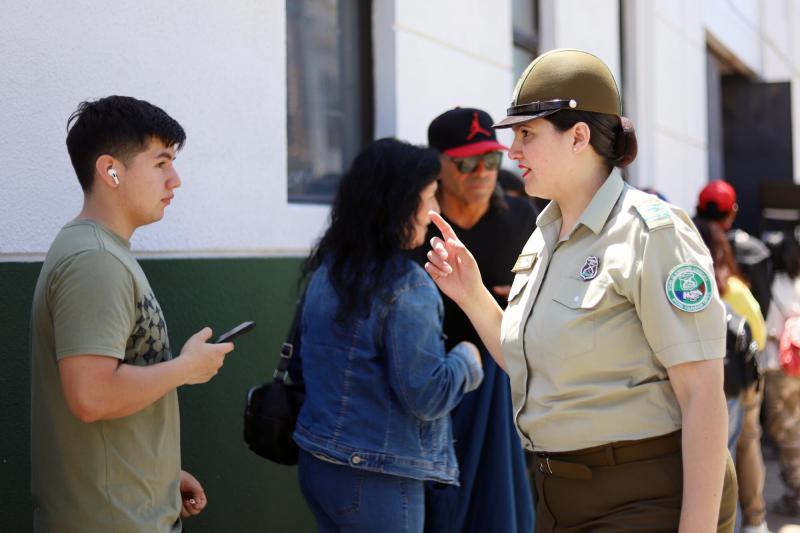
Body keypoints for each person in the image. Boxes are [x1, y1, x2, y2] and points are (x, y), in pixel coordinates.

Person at [424, 48, 737, 532]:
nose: (512, 152)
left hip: (646, 496)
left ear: (579, 137)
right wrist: (471, 294)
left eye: (526, 134)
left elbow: (702, 394)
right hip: (558, 496)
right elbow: (530, 361)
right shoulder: (547, 232)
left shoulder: (650, 232)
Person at [30, 96, 234, 532]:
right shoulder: (95, 260)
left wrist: (158, 476)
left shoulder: (101, 252)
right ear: (111, 171)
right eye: (161, 163)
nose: (174, 179)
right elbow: (92, 396)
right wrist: (184, 369)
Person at [293, 138, 484, 532]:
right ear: (398, 205)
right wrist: (467, 359)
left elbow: (305, 366)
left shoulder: (327, 270)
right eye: (429, 198)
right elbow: (427, 397)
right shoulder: (408, 285)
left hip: (317, 461)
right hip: (377, 476)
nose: (434, 212)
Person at [420, 108, 535, 533]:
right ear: (438, 165)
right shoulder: (417, 224)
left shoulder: (526, 222)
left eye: (490, 159)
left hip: (504, 392)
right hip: (431, 391)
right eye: (467, 162)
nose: (482, 172)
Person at [696, 183, 771, 533]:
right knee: (745, 443)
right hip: (742, 374)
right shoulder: (749, 259)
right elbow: (758, 323)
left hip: (700, 378)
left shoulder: (684, 237)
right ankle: (752, 521)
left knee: (714, 456)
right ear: (732, 213)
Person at [762, 229, 800, 516]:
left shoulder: (771, 285)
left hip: (781, 366)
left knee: (788, 431)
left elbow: (768, 331)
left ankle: (796, 492)